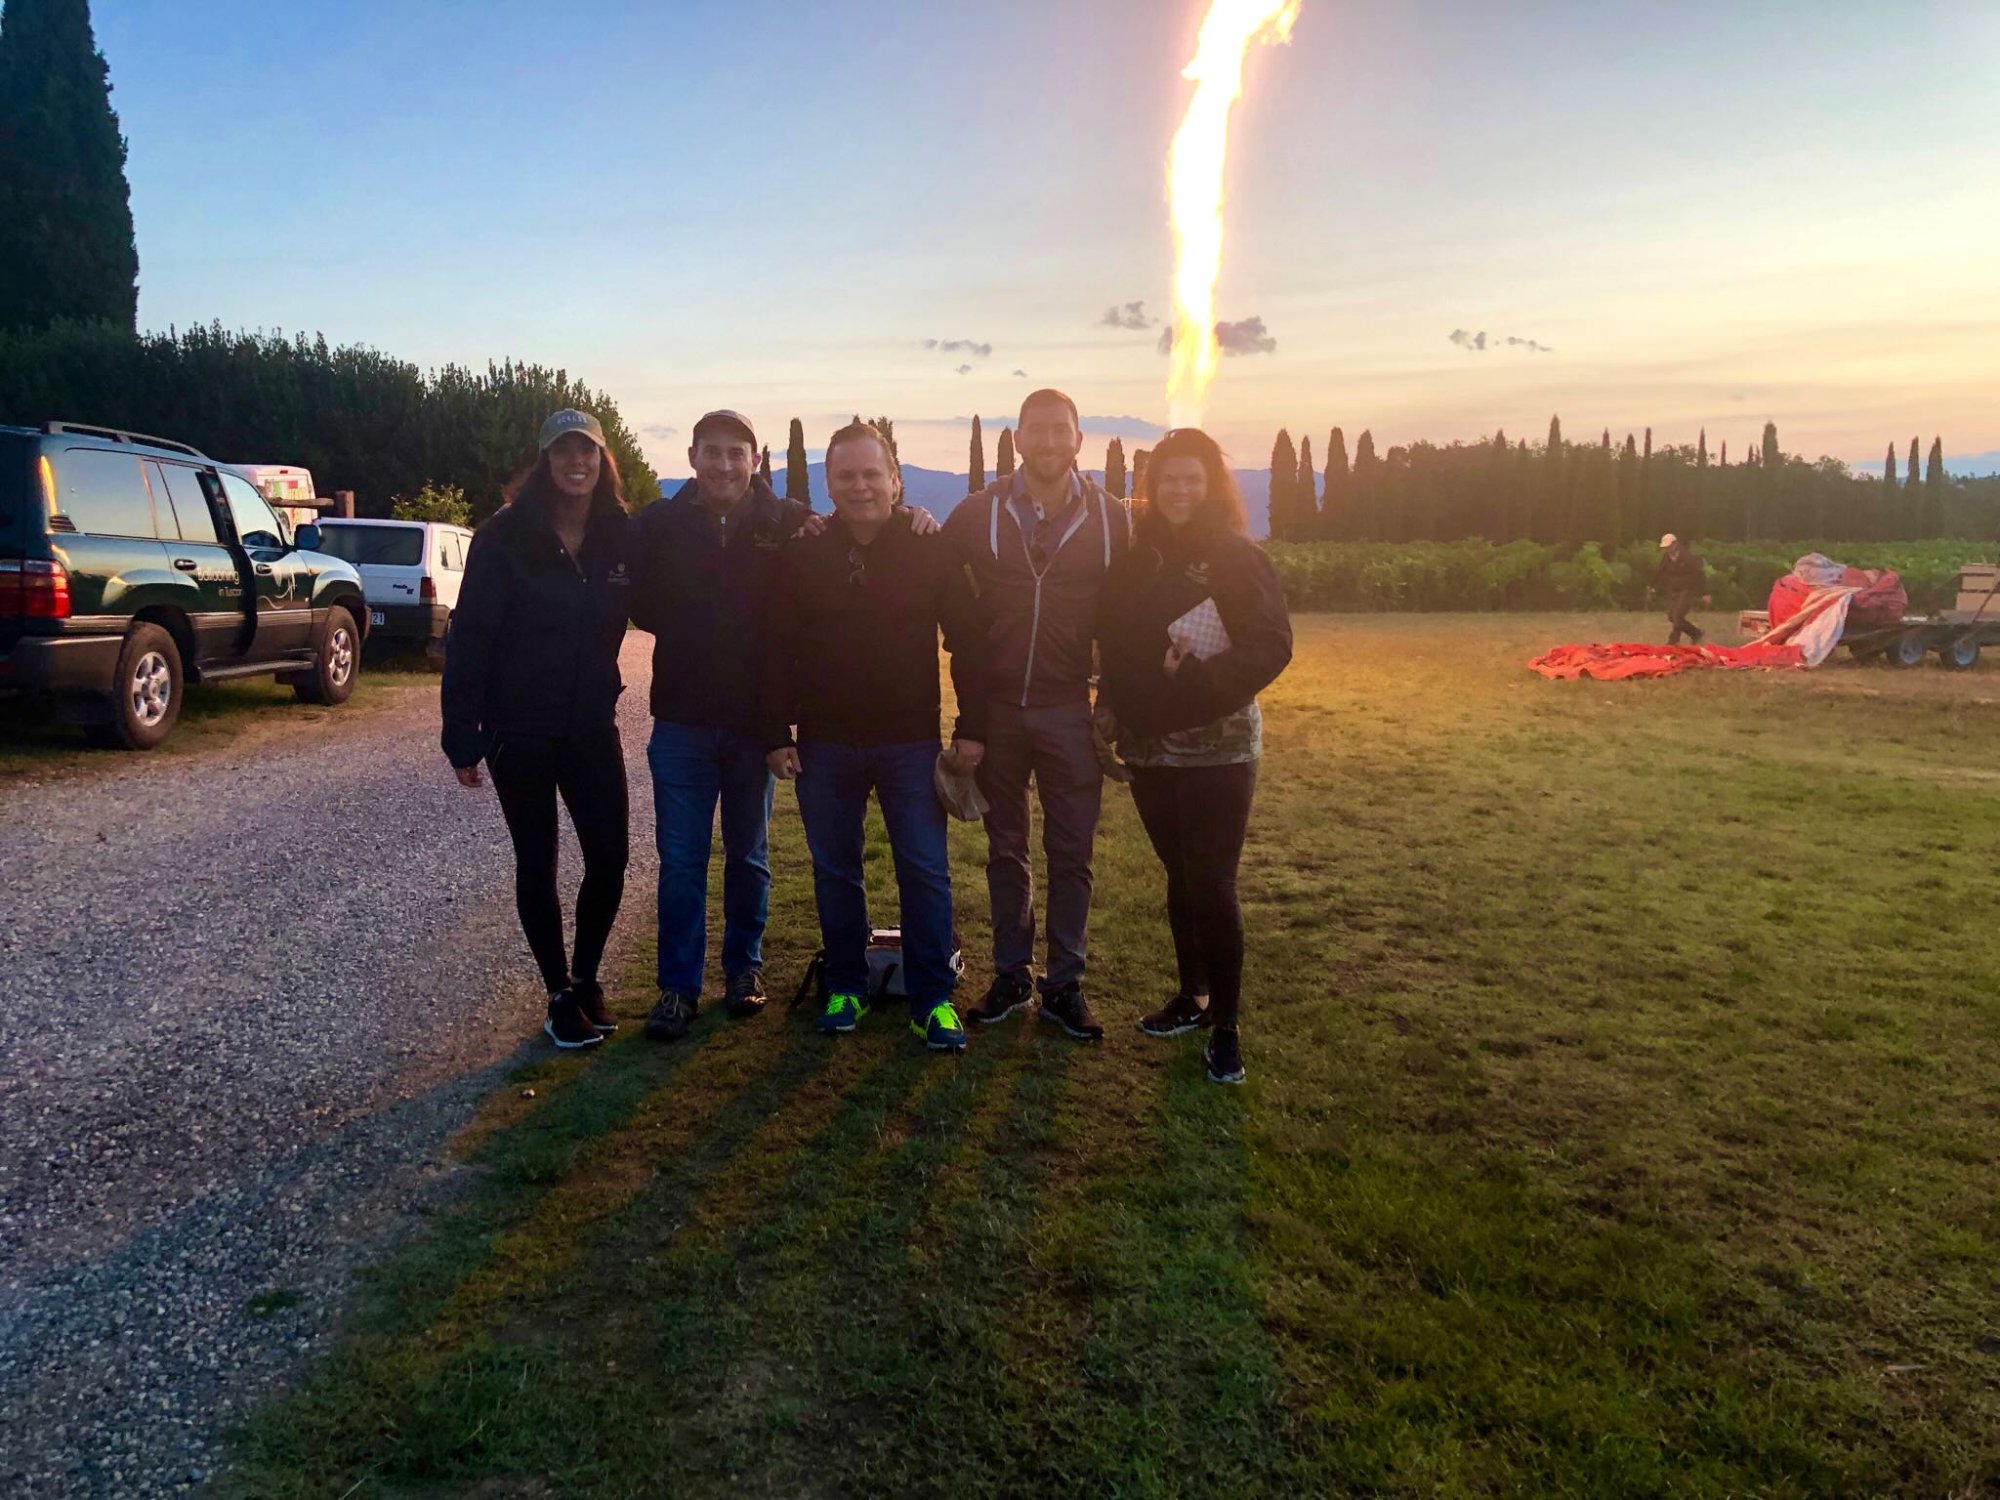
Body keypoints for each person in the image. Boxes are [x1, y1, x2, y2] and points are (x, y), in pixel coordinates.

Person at [762, 421, 987, 1050]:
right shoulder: (803, 553)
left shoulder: (930, 547)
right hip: (825, 744)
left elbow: (967, 639)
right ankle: (846, 986)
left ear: (895, 479)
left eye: (871, 474)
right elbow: (776, 649)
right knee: (836, 871)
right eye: (846, 475)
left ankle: (933, 998)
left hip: (910, 741)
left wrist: (973, 726)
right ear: (828, 484)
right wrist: (777, 731)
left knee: (925, 870)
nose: (860, 486)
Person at [1097, 427, 1292, 1085]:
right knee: (1179, 876)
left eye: (1191, 478)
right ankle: (1193, 996)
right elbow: (1116, 643)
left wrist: (1201, 679)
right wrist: (1115, 707)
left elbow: (1271, 646)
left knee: (1212, 881)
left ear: (1210, 484)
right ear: (1151, 487)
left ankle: (1228, 1027)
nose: (1178, 491)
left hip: (1219, 744)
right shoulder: (1135, 555)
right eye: (1166, 480)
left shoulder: (1236, 556)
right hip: (1152, 745)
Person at [441, 408, 635, 1051]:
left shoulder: (617, 534)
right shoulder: (504, 536)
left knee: (610, 857)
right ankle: (556, 995)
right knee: (539, 860)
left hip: (589, 723)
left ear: (602, 461)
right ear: (545, 461)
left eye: (587, 452)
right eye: (562, 453)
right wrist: (459, 731)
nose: (575, 463)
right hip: (517, 728)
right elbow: (469, 636)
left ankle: (585, 979)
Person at [942, 388, 1131, 1041]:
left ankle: (1065, 984)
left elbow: (1129, 617)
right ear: (1018, 438)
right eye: (1037, 431)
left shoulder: (1112, 518)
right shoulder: (977, 512)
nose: (1049, 442)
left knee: (1071, 851)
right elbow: (932, 568)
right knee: (1006, 849)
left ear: (1078, 439)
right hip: (998, 710)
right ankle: (1013, 974)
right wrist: (907, 518)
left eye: (1062, 431)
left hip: (1067, 708)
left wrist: (1113, 704)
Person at [629, 410, 809, 1042]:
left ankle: (743, 972)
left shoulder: (785, 523)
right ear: (692, 456)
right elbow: (633, 593)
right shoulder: (660, 523)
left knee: (749, 855)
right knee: (680, 862)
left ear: (756, 461)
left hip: (755, 726)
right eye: (714, 452)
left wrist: (915, 519)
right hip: (680, 720)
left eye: (738, 453)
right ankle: (678, 988)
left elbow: (857, 533)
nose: (725, 465)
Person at [1653, 533, 1711, 645]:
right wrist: (1654, 587)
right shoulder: (1666, 558)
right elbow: (1661, 573)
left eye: (1668, 547)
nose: (1667, 549)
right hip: (1673, 590)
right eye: (1665, 548)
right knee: (1671, 616)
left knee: (1678, 615)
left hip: (1687, 590)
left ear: (1675, 544)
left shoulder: (1688, 557)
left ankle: (1673, 641)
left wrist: (1705, 593)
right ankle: (1696, 633)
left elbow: (1699, 575)